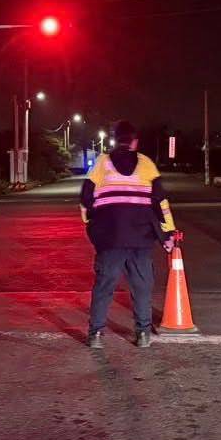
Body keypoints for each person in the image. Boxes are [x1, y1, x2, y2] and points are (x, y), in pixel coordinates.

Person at [80, 120, 177, 349]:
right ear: (134, 142)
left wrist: (94, 229)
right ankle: (143, 334)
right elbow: (161, 204)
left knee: (104, 287)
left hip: (110, 239)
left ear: (115, 140)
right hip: (140, 240)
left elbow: (86, 200)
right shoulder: (147, 164)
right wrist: (168, 234)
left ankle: (95, 335)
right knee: (141, 287)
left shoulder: (102, 163)